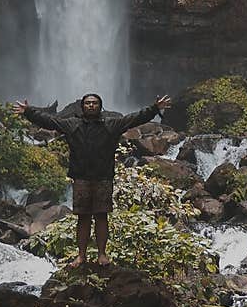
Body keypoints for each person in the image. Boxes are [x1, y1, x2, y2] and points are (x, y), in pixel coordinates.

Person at [13, 92, 171, 267]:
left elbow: (134, 119)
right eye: (87, 103)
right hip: (81, 178)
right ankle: (81, 256)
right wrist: (28, 111)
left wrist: (155, 108)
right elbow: (49, 121)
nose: (90, 105)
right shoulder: (72, 124)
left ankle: (102, 254)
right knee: (83, 218)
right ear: (82, 107)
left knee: (102, 216)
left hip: (103, 177)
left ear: (100, 106)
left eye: (94, 103)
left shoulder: (111, 124)